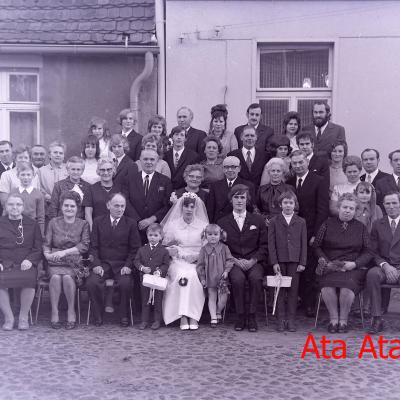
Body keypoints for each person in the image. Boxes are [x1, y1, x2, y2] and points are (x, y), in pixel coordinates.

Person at [313, 193, 371, 333]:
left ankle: (343, 321)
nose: (347, 211)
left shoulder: (361, 228)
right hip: (330, 266)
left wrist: (355, 264)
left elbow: (368, 252)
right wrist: (327, 262)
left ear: (355, 211)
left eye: (351, 208)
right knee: (327, 285)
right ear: (338, 208)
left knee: (347, 286)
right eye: (345, 207)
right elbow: (316, 246)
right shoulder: (327, 224)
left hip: (352, 268)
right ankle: (334, 320)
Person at [218, 184, 268, 332]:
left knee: (256, 278)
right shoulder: (223, 222)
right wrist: (234, 260)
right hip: (233, 261)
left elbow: (264, 245)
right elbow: (221, 246)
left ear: (247, 200)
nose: (239, 200)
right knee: (237, 279)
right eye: (236, 197)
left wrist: (253, 260)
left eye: (242, 197)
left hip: (254, 261)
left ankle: (252, 316)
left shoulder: (258, 220)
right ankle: (240, 316)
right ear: (231, 200)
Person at [87, 193, 141, 327]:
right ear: (108, 205)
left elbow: (135, 249)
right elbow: (93, 247)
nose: (120, 209)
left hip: (122, 265)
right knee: (92, 282)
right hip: (103, 264)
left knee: (125, 283)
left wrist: (128, 265)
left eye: (123, 206)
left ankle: (124, 315)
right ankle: (97, 315)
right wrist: (96, 265)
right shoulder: (98, 222)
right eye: (116, 206)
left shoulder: (131, 223)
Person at [287, 150, 329, 317]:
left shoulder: (319, 181)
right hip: (292, 232)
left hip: (311, 232)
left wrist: (316, 235)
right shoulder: (289, 181)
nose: (298, 166)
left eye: (301, 162)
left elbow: (322, 210)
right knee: (294, 266)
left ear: (307, 162)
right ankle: (296, 299)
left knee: (309, 268)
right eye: (294, 163)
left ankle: (309, 303)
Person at [43, 191, 90, 330]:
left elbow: (84, 245)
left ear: (77, 208)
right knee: (56, 277)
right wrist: (47, 254)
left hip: (73, 261)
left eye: (72, 206)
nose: (69, 208)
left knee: (68, 278)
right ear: (61, 206)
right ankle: (54, 311)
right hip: (54, 261)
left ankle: (71, 311)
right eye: (66, 205)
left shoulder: (83, 224)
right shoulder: (53, 222)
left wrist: (65, 252)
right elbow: (46, 243)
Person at [162, 192, 209, 330]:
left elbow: (209, 248)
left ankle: (193, 315)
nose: (189, 209)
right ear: (181, 207)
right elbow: (164, 246)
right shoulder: (173, 225)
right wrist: (173, 251)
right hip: (178, 261)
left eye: (192, 207)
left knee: (193, 276)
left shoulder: (203, 226)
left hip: (197, 261)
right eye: (186, 206)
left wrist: (197, 257)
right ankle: (182, 315)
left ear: (196, 208)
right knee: (181, 275)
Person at [0, 193, 43, 331]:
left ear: (23, 207)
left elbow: (38, 247)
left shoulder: (32, 224)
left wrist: (30, 260)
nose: (14, 207)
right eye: (11, 204)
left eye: (18, 204)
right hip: (5, 263)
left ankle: (23, 317)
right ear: (5, 206)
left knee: (29, 278)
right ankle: (9, 318)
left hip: (25, 263)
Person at [268, 191, 307, 332]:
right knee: (279, 291)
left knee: (293, 291)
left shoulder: (301, 221)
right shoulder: (274, 221)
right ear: (280, 204)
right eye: (285, 202)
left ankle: (291, 320)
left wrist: (302, 262)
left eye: (291, 203)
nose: (288, 205)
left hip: (294, 261)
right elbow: (271, 243)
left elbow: (303, 243)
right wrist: (274, 262)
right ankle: (280, 319)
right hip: (280, 260)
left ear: (295, 204)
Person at [367, 192, 400, 334]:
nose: (391, 206)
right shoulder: (378, 224)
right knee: (372, 274)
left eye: (394, 203)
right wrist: (385, 266)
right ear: (384, 205)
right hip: (384, 266)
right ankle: (377, 318)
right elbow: (372, 251)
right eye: (388, 203)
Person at [124, 149, 172, 243]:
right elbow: (126, 201)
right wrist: (138, 221)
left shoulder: (165, 181)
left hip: (156, 229)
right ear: (140, 160)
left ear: (157, 161)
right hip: (134, 227)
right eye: (145, 159)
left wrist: (151, 219)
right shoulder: (129, 179)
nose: (149, 162)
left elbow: (167, 205)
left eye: (152, 159)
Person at [134, 223, 170, 330]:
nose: (152, 238)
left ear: (161, 237)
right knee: (145, 300)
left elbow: (166, 264)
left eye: (155, 235)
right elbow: (136, 261)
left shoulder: (164, 251)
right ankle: (144, 321)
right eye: (150, 235)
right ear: (147, 236)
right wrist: (142, 268)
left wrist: (160, 271)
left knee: (158, 300)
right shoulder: (142, 249)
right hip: (145, 279)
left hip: (158, 279)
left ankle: (157, 320)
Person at [196, 224, 234, 327]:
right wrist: (202, 278)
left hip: (222, 278)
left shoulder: (224, 248)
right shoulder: (204, 249)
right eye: (210, 234)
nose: (213, 236)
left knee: (223, 298)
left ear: (220, 235)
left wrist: (226, 271)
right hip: (210, 277)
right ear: (205, 235)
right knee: (212, 297)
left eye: (215, 234)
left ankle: (218, 311)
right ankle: (213, 317)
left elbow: (230, 260)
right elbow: (200, 266)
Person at [206, 156, 255, 223]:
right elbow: (210, 208)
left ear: (239, 168)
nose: (230, 170)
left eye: (233, 167)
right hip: (219, 222)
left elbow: (250, 208)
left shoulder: (248, 185)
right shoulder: (215, 186)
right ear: (223, 169)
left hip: (239, 222)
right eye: (226, 167)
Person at [83, 157, 122, 230]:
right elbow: (88, 213)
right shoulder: (91, 189)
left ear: (113, 170)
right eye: (102, 170)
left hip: (118, 229)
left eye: (109, 169)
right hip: (98, 229)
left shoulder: (120, 189)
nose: (106, 173)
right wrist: (92, 229)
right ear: (98, 171)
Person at [10, 162, 45, 236]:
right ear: (17, 176)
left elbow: (41, 218)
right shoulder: (13, 193)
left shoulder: (38, 194)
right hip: (14, 228)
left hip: (31, 229)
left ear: (33, 176)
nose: (26, 177)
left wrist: (41, 235)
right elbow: (7, 213)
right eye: (23, 175)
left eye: (28, 175)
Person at [257, 158, 294, 225]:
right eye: (273, 171)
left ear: (282, 172)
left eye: (278, 171)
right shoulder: (261, 190)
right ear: (269, 172)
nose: (275, 173)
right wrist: (263, 219)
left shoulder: (289, 189)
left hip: (284, 226)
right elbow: (257, 208)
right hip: (265, 226)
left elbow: (295, 210)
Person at [38, 141, 68, 221]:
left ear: (64, 156)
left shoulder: (68, 170)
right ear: (49, 155)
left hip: (65, 210)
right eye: (55, 152)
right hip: (47, 209)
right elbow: (38, 188)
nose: (58, 155)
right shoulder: (41, 171)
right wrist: (47, 197)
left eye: (61, 153)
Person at [164, 126, 200, 190]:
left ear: (185, 139)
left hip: (185, 191)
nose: (179, 137)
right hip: (167, 190)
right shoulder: (165, 155)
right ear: (172, 137)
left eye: (182, 135)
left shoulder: (193, 156)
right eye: (176, 134)